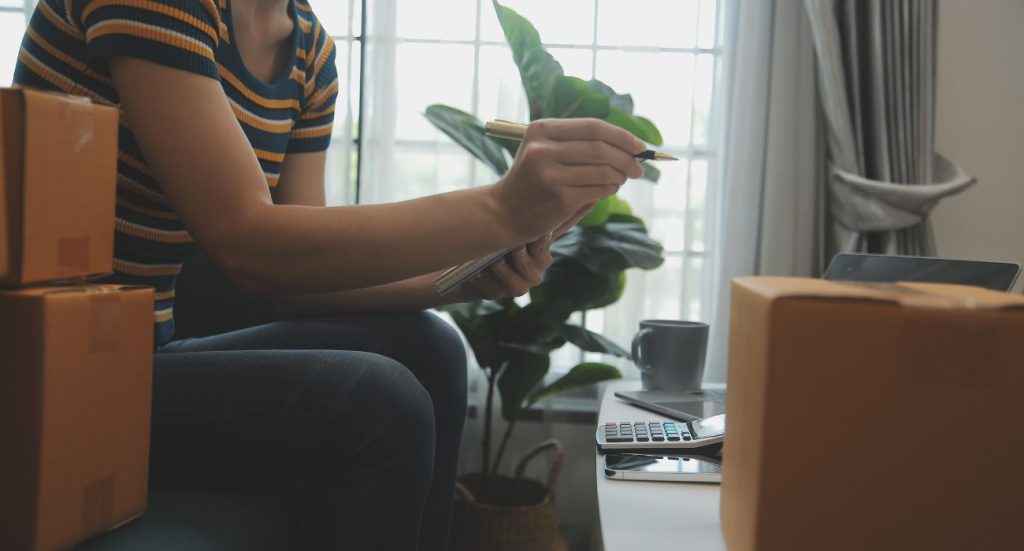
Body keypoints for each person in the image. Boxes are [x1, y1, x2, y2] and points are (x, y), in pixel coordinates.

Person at [14, 0, 645, 548]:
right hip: (45, 375)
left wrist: (465, 279)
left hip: (143, 356)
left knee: (428, 347)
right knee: (375, 402)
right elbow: (246, 241)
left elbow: (300, 276)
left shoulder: (307, 47)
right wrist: (502, 208)